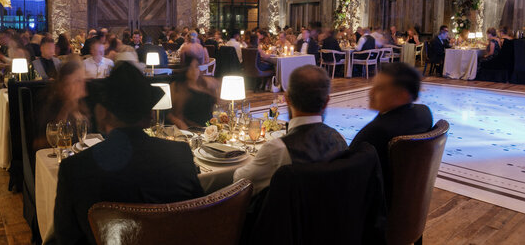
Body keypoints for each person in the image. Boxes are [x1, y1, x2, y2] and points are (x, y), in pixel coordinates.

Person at [53, 62, 204, 245]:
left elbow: (66, 239)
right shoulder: (181, 154)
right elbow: (198, 218)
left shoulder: (74, 169)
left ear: (103, 114)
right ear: (149, 117)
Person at [233, 65, 347, 195]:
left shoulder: (277, 149)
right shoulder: (340, 139)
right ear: (327, 101)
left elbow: (240, 181)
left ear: (287, 99)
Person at [350, 62, 433, 202]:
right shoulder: (424, 113)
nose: (370, 93)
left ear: (403, 95)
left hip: (375, 204)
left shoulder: (376, 132)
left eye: (380, 88)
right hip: (405, 198)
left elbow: (349, 175)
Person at [34, 57, 89, 151]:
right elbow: (38, 144)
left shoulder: (84, 103)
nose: (83, 84)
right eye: (77, 81)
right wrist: (65, 110)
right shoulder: (51, 106)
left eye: (83, 80)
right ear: (65, 84)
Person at [167, 62, 219, 130]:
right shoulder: (180, 87)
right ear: (185, 70)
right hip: (192, 129)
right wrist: (187, 130)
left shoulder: (206, 82)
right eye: (190, 68)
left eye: (196, 67)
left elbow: (218, 103)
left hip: (209, 127)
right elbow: (176, 115)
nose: (194, 71)